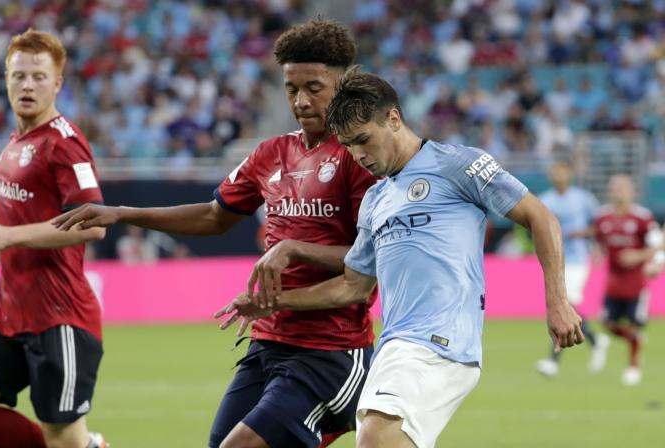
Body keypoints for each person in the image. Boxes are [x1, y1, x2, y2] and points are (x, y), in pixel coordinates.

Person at [215, 69, 584, 448]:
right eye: (349, 145)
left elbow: (540, 216)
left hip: (438, 343)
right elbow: (352, 286)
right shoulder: (375, 200)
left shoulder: (458, 164)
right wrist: (272, 303)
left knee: (376, 437)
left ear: (393, 119)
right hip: (395, 348)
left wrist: (557, 300)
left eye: (363, 140)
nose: (359, 156)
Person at [53, 19, 377, 448]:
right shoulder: (271, 152)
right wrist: (122, 213)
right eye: (290, 88)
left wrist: (293, 250)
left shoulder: (361, 159)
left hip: (331, 352)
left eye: (314, 88)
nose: (300, 101)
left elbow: (370, 260)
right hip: (268, 345)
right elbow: (213, 216)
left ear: (344, 84)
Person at [0, 29, 108, 448]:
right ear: (6, 79)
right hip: (8, 315)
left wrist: (8, 237)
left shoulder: (65, 144)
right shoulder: (14, 144)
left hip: (59, 318)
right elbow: (20, 223)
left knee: (64, 440)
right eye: (18, 76)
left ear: (57, 84)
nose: (27, 85)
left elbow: (92, 224)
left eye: (38, 77)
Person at [535, 160, 610, 377]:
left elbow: (597, 226)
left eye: (562, 171)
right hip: (555, 259)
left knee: (564, 303)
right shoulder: (545, 200)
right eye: (555, 171)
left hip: (577, 258)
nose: (558, 175)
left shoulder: (583, 199)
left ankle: (553, 360)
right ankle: (596, 340)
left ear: (570, 174)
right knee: (563, 304)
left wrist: (589, 239)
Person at [593, 174, 661, 386]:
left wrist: (650, 261)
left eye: (623, 187)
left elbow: (658, 246)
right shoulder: (602, 217)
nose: (619, 191)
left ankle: (633, 366)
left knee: (634, 325)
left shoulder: (643, 218)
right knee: (606, 322)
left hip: (636, 284)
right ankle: (635, 342)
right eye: (615, 187)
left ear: (632, 191)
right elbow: (598, 241)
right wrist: (596, 252)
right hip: (613, 284)